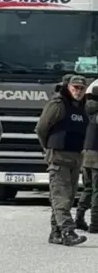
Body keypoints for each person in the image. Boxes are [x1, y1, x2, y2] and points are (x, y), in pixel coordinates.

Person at [36, 74, 89, 247]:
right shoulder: (58, 104)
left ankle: (56, 232)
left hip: (75, 157)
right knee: (61, 197)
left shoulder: (82, 107)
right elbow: (41, 128)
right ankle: (68, 231)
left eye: (81, 88)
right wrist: (48, 147)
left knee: (69, 196)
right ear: (68, 87)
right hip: (58, 156)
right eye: (75, 88)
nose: (78, 91)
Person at [77, 81, 98, 234]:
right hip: (97, 156)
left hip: (86, 154)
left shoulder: (85, 110)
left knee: (88, 188)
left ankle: (79, 217)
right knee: (97, 191)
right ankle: (95, 223)